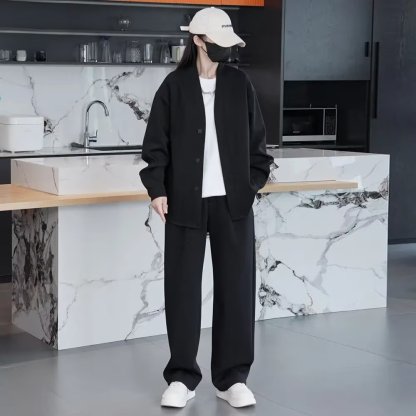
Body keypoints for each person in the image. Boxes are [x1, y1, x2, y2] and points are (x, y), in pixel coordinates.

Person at [139, 6, 274, 409]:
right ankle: (182, 377)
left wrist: (250, 186)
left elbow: (258, 144)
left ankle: (232, 378)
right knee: (182, 289)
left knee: (237, 289)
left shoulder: (239, 84)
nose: (226, 51)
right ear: (198, 41)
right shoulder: (173, 86)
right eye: (219, 43)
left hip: (233, 204)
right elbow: (155, 144)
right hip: (184, 203)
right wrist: (157, 189)